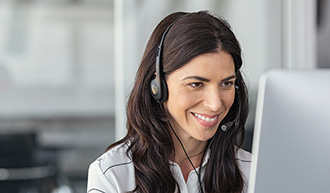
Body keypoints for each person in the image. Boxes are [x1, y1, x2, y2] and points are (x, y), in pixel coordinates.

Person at [87, 11, 251, 193]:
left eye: (226, 83)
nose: (215, 104)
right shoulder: (113, 175)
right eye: (196, 84)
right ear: (158, 86)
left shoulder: (252, 173)